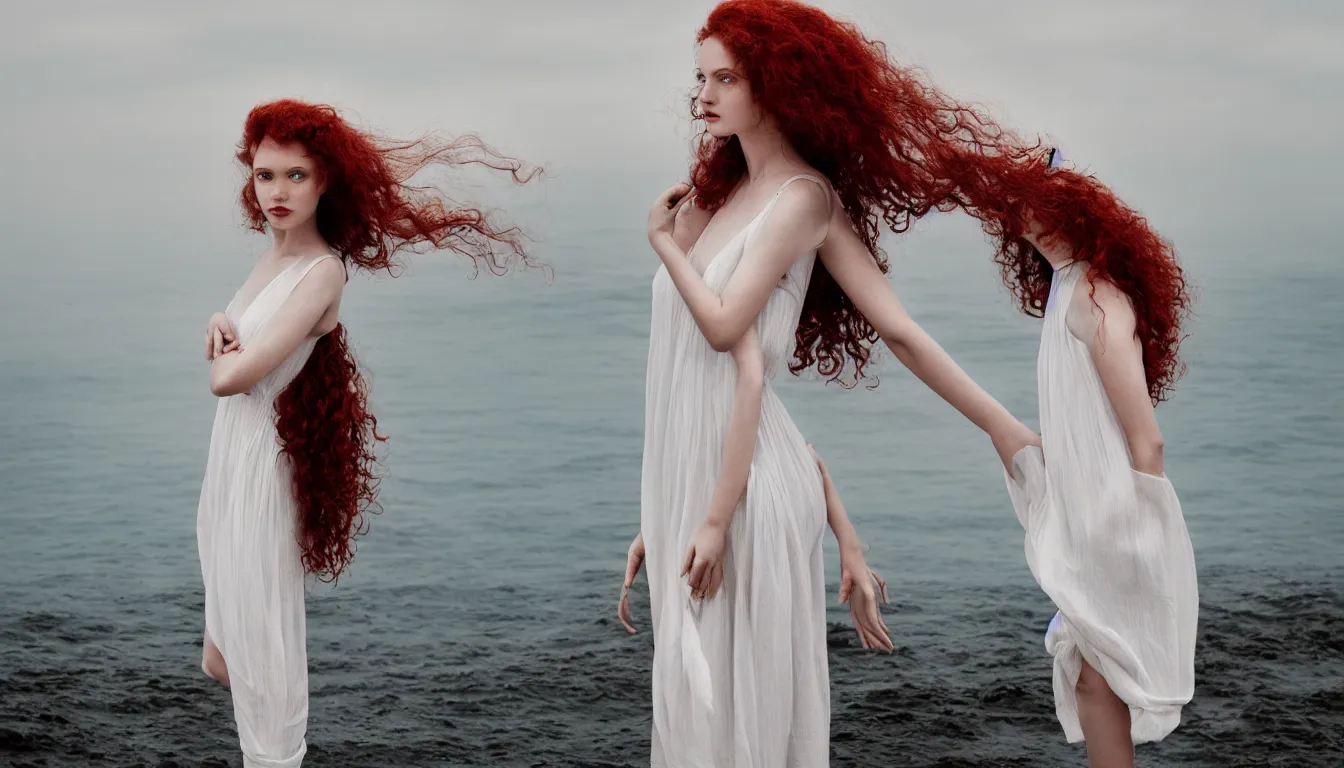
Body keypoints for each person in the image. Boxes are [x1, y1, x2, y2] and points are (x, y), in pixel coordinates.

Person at [627, 1, 1040, 763]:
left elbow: (742, 329)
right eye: (702, 78)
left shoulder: (801, 198)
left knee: (733, 712)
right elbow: (685, 363)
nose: (707, 94)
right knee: (695, 709)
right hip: (700, 475)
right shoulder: (719, 199)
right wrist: (660, 505)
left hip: (745, 486)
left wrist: (1000, 425)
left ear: (778, 85)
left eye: (729, 77)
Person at [196, 98, 538, 767]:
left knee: (262, 650)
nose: (278, 191)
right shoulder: (269, 261)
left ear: (326, 182)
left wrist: (219, 349)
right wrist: (218, 316)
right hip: (228, 461)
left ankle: (276, 757)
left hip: (263, 466)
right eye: (266, 175)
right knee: (221, 654)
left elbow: (230, 380)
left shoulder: (322, 270)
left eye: (297, 176)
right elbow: (244, 337)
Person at [963, 146, 1198, 768]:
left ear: (1081, 214)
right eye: (1018, 211)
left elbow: (1147, 441)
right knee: (1095, 678)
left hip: (1117, 522)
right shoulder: (1067, 289)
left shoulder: (1096, 296)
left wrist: (1140, 538)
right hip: (1089, 514)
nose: (1028, 221)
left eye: (1042, 208)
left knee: (1100, 677)